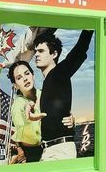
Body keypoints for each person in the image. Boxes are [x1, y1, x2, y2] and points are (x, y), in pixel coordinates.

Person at [33, 30, 93, 161]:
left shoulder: (59, 73)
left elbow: (79, 50)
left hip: (60, 150)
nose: (36, 54)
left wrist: (89, 28)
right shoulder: (47, 82)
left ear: (54, 54)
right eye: (35, 51)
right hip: (48, 150)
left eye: (41, 51)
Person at [7, 60, 73, 163]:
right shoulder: (17, 105)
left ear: (33, 75)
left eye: (27, 73)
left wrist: (71, 119)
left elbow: (62, 112)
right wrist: (27, 107)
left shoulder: (45, 95)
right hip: (31, 154)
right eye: (19, 78)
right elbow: (23, 107)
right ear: (15, 85)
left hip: (51, 148)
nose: (25, 79)